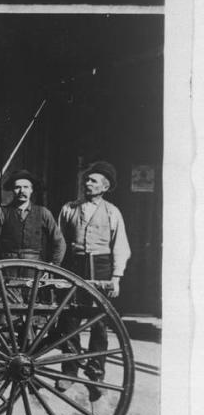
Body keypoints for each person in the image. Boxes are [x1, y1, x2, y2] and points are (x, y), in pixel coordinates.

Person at [56, 160, 131, 399]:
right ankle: (69, 370)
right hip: (74, 265)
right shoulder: (69, 208)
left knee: (99, 322)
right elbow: (60, 241)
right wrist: (56, 270)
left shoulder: (112, 212)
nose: (87, 183)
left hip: (101, 267)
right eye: (86, 180)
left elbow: (121, 246)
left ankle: (96, 372)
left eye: (93, 181)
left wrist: (116, 277)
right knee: (69, 316)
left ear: (105, 187)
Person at [0, 169, 66, 270]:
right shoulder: (0, 213)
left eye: (26, 187)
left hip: (34, 269)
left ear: (31, 190)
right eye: (17, 187)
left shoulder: (43, 213)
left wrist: (54, 266)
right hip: (7, 267)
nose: (22, 191)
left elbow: (59, 242)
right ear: (12, 190)